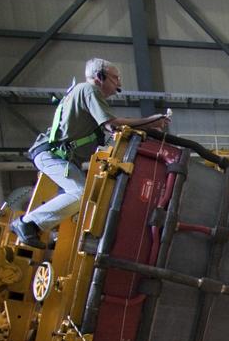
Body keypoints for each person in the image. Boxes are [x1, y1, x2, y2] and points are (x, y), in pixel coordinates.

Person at [11, 58, 170, 248]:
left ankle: (56, 240)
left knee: (82, 202)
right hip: (52, 155)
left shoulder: (85, 96)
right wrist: (151, 121)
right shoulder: (89, 90)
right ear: (99, 77)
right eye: (115, 78)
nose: (119, 83)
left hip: (66, 160)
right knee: (79, 194)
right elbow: (112, 124)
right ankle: (27, 224)